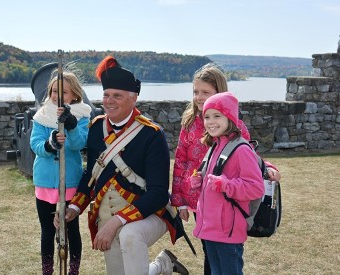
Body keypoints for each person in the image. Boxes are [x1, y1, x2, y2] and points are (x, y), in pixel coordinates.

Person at [57, 56, 188, 275]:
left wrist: (117, 222)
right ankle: (162, 265)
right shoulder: (97, 128)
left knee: (129, 234)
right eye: (106, 95)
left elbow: (158, 194)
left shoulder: (151, 135)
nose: (109, 101)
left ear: (133, 99)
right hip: (107, 216)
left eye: (117, 96)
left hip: (151, 215)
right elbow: (91, 174)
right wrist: (73, 208)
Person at [170, 63, 281, 275]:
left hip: (225, 204)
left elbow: (247, 156)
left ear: (219, 93)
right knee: (209, 250)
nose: (199, 97)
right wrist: (180, 200)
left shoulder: (234, 128)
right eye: (196, 92)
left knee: (223, 256)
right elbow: (181, 161)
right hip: (198, 200)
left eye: (205, 92)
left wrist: (267, 167)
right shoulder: (190, 122)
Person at [191, 92, 265, 275]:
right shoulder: (214, 146)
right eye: (207, 116)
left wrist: (226, 185)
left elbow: (256, 188)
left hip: (228, 232)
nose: (210, 121)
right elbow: (211, 184)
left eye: (217, 116)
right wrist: (198, 181)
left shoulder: (241, 150)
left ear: (230, 118)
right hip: (210, 228)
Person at [30, 69, 92, 275]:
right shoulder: (42, 116)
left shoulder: (82, 115)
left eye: (64, 92)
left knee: (72, 231)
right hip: (46, 181)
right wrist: (50, 145)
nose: (57, 96)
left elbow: (78, 144)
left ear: (74, 94)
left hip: (71, 181)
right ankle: (47, 271)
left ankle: (73, 271)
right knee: (47, 231)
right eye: (54, 91)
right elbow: (35, 144)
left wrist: (71, 126)